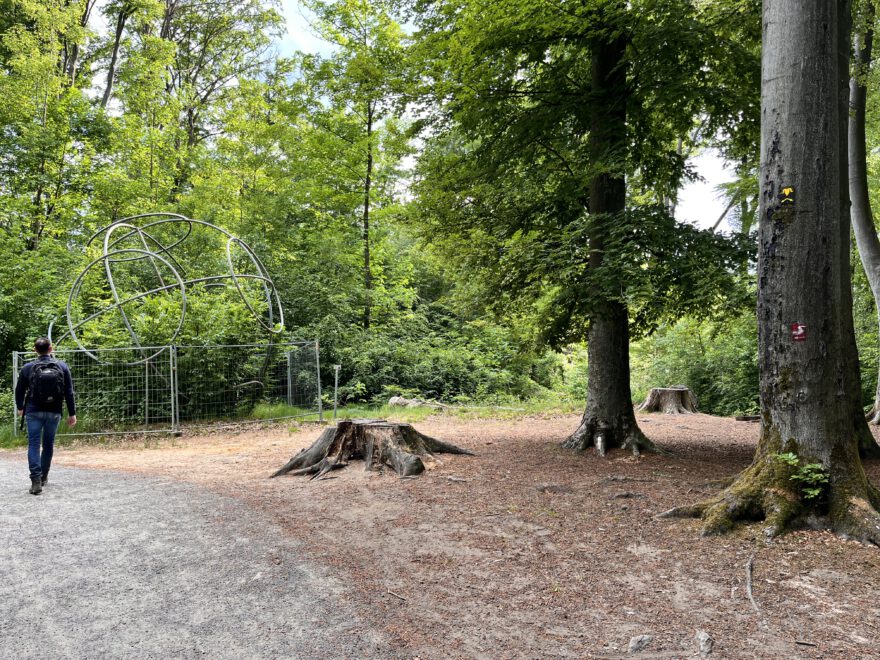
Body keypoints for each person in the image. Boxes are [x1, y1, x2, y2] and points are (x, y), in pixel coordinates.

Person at [15, 338, 77, 495]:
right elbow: (69, 392)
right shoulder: (62, 366)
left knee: (34, 444)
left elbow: (19, 390)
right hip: (54, 411)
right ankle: (43, 477)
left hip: (33, 411)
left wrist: (21, 407)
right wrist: (72, 413)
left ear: (34, 350)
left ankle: (35, 480)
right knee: (48, 444)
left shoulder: (28, 367)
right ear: (51, 349)